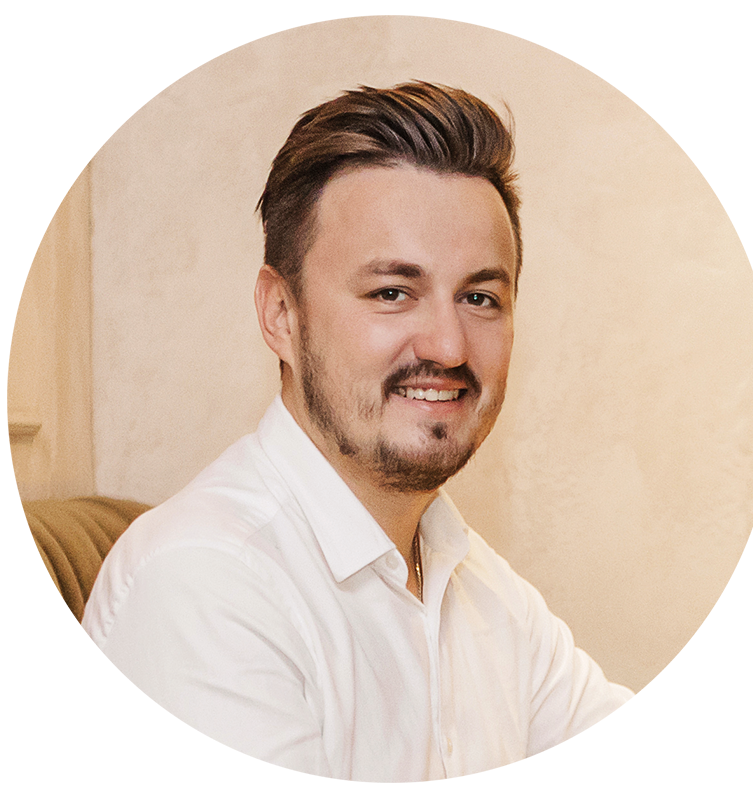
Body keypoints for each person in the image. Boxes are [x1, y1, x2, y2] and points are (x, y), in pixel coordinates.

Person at [83, 81, 635, 782]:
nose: (448, 345)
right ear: (281, 315)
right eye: (391, 293)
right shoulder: (204, 582)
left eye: (479, 297)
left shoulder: (477, 582)